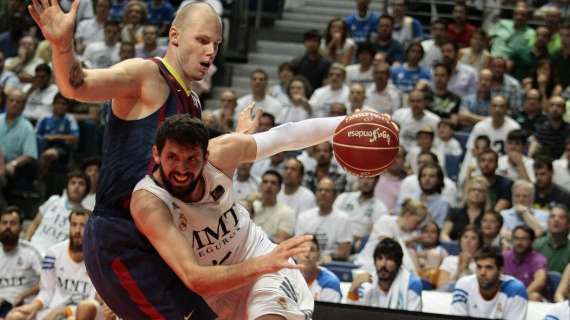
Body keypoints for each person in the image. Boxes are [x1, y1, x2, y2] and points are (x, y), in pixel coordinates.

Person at [28, 1, 228, 317]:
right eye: (202, 40)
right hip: (119, 235)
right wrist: (62, 45)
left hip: (162, 239)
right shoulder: (145, 74)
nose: (210, 51)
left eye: (216, 44)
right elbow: (76, 85)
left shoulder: (193, 103)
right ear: (175, 35)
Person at [130, 113, 374, 319]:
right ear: (156, 154)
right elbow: (195, 278)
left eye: (191, 159)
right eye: (172, 157)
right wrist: (261, 265)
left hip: (260, 260)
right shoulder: (149, 203)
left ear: (206, 157)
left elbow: (286, 137)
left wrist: (350, 121)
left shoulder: (222, 153)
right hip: (215, 294)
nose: (181, 169)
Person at [6, 210, 97, 320]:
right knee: (15, 316)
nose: (77, 230)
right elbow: (47, 291)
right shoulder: (53, 253)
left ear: (91, 229)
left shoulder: (98, 259)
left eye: (83, 225)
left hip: (81, 313)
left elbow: (93, 302)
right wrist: (33, 306)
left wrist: (63, 311)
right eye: (74, 225)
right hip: (52, 309)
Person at [450, 245, 528, 319]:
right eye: (479, 267)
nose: (482, 273)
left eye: (489, 267)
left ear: (501, 270)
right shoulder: (464, 285)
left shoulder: (515, 290)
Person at [348, 238, 423, 311]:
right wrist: (353, 289)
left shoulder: (411, 284)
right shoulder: (366, 282)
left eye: (389, 259)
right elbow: (350, 316)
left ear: (398, 263)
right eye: (380, 258)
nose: (383, 264)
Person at [26, 171, 90, 255]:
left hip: (54, 258)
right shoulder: (54, 200)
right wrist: (26, 242)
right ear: (67, 186)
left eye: (81, 184)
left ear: (86, 190)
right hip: (32, 249)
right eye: (73, 183)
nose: (76, 186)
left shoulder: (85, 215)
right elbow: (34, 224)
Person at [356, 199, 428, 272]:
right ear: (408, 215)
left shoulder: (413, 233)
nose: (418, 226)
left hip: (393, 270)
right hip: (368, 265)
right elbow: (388, 246)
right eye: (417, 222)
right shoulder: (386, 221)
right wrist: (411, 240)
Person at [296, 178, 352, 262]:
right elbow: (297, 246)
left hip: (331, 263)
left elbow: (344, 252)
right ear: (315, 194)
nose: (323, 193)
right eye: (320, 190)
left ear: (335, 196)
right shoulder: (303, 217)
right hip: (306, 260)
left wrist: (328, 257)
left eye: (327, 191)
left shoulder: (343, 219)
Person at [0, 206, 42, 318]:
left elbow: (47, 281)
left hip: (23, 306)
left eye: (13, 223)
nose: (8, 227)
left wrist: (24, 294)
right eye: (4, 223)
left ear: (20, 227)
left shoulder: (30, 251)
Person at [334, 176, 389, 250]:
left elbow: (376, 236)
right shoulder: (343, 198)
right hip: (336, 240)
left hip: (359, 247)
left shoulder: (380, 208)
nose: (365, 181)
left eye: (370, 178)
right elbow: (331, 220)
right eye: (362, 177)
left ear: (376, 180)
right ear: (358, 179)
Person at [503, 225, 547, 301]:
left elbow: (540, 282)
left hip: (527, 297)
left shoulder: (538, 259)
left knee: (534, 296)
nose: (519, 242)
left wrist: (520, 296)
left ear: (532, 241)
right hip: (508, 296)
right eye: (516, 238)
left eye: (524, 239)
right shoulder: (505, 256)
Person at [253, 170, 296, 244]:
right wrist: (248, 200)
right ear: (260, 186)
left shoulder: (287, 212)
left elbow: (279, 240)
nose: (268, 186)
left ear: (279, 188)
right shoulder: (252, 206)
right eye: (265, 182)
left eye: (273, 183)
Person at [441, 176, 489, 242]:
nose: (476, 193)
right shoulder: (455, 212)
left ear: (485, 195)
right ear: (468, 192)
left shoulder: (488, 215)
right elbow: (444, 234)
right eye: (473, 189)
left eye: (480, 191)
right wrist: (454, 246)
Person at [297, 237, 342, 303]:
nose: (307, 255)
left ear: (318, 255)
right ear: (294, 254)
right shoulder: (286, 276)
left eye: (312, 250)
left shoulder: (330, 282)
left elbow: (329, 312)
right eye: (303, 250)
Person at [437, 225, 483, 290]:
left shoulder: (482, 263)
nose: (468, 241)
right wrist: (459, 270)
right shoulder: (449, 260)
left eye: (473, 238)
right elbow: (440, 288)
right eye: (465, 237)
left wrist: (467, 268)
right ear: (460, 240)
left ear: (479, 243)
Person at [533, 204, 570, 273]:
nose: (556, 220)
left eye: (561, 217)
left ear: (568, 224)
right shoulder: (536, 244)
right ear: (548, 222)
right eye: (552, 216)